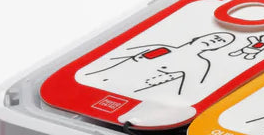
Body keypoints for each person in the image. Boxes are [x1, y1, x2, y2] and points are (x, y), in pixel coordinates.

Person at [81, 32, 235, 97]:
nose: (215, 40)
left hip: (126, 96)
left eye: (220, 42)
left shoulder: (199, 64)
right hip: (93, 82)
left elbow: (189, 93)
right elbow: (112, 57)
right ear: (197, 37)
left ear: (216, 48)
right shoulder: (161, 48)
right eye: (215, 37)